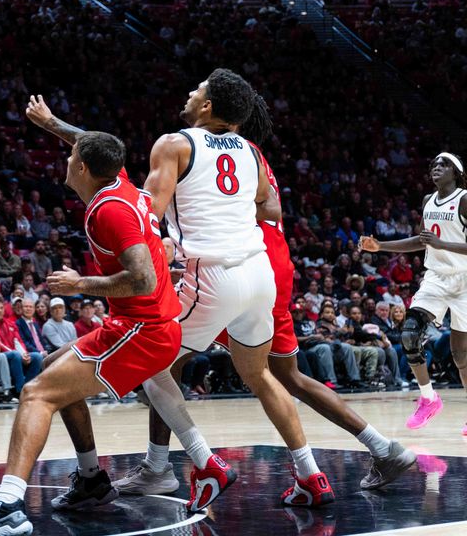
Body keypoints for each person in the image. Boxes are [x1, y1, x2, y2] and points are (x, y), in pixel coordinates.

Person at [117, 98, 414, 497]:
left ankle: (161, 466)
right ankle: (381, 447)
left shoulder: (200, 151)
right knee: (282, 376)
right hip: (269, 271)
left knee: (162, 361)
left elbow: (160, 206)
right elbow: (269, 210)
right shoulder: (253, 157)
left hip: (236, 272)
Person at [0, 128, 180, 534]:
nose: (67, 159)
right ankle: (91, 480)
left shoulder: (111, 210)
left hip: (143, 330)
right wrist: (50, 121)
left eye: (72, 156)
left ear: (84, 167)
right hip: (143, 322)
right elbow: (99, 142)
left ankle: (7, 507)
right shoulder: (118, 180)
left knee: (36, 393)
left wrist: (80, 284)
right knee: (52, 368)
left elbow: (141, 279)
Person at [135, 70, 332, 510]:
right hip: (259, 274)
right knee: (260, 374)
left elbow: (148, 212)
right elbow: (269, 204)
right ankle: (310, 475)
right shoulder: (250, 151)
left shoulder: (174, 144)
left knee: (149, 364)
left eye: (197, 89)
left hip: (212, 275)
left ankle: (205, 464)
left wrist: (160, 245)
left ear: (206, 106)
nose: (190, 92)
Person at [361, 152, 467, 434]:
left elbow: (437, 242)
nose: (436, 168)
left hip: (465, 280)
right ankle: (428, 398)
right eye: (433, 164)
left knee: (461, 356)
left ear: (456, 173)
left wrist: (442, 244)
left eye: (443, 164)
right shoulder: (428, 201)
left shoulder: (464, 199)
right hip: (436, 278)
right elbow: (421, 241)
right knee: (409, 333)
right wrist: (380, 246)